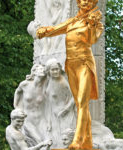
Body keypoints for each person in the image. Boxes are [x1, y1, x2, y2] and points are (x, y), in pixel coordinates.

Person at [36, 0, 104, 149]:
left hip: (84, 63)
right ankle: (87, 142)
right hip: (71, 64)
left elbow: (92, 40)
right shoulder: (72, 22)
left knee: (83, 101)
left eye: (90, 1)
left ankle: (77, 142)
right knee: (80, 104)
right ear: (79, 2)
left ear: (93, 4)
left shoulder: (96, 22)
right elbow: (56, 29)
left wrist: (92, 25)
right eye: (83, 0)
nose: (86, 2)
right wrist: (44, 32)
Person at [14, 64, 48, 145]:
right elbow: (17, 92)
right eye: (40, 69)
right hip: (28, 120)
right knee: (39, 141)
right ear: (34, 72)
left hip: (41, 120)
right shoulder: (25, 84)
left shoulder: (45, 86)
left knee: (48, 141)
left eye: (43, 69)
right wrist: (16, 107)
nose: (42, 71)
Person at [45, 58, 76, 147]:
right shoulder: (50, 80)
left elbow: (74, 96)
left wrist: (66, 109)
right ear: (48, 71)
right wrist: (49, 121)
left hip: (65, 116)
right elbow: (50, 102)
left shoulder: (63, 82)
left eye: (57, 69)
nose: (55, 72)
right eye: (53, 70)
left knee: (65, 141)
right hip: (54, 116)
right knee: (57, 142)